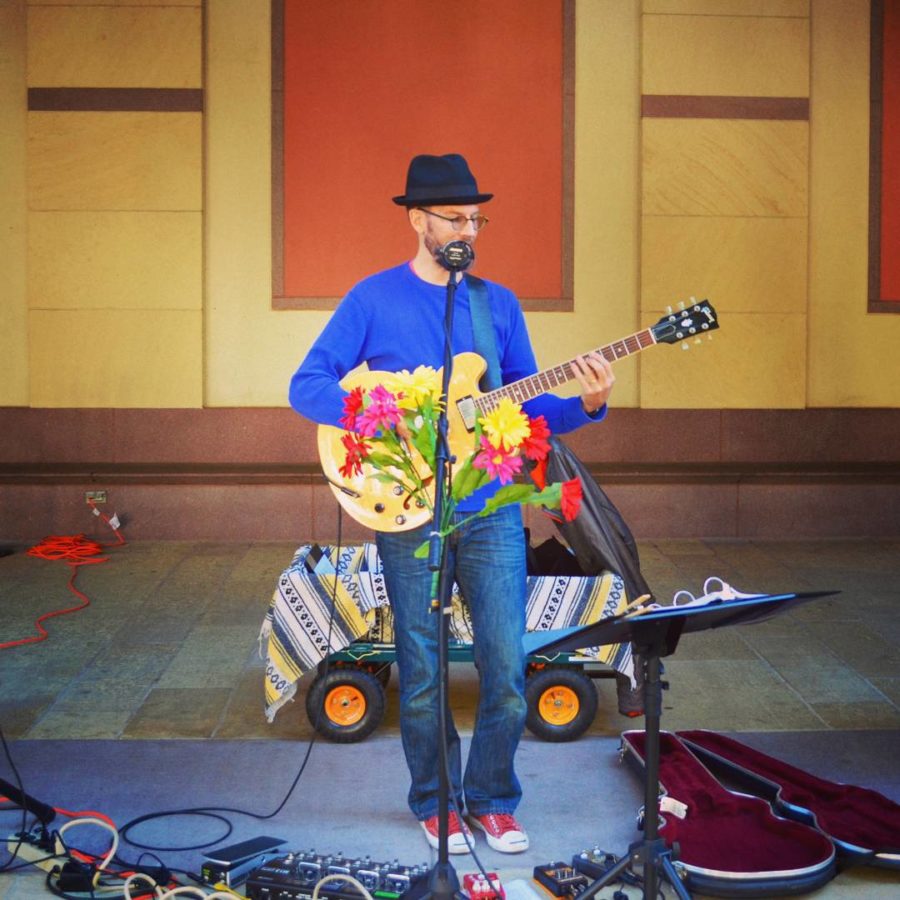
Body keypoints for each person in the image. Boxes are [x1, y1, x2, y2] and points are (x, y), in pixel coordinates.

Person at [288, 153, 615, 854]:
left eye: (476, 218)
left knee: (503, 664)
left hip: (492, 505)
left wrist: (588, 402)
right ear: (418, 220)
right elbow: (306, 385)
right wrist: (385, 418)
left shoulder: (496, 304)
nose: (470, 228)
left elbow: (530, 404)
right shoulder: (372, 299)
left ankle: (494, 800)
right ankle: (435, 802)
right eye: (456, 217)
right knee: (424, 664)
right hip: (408, 509)